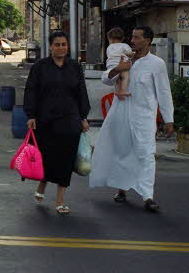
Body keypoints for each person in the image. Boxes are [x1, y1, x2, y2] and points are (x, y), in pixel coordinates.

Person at [89, 25, 175, 213]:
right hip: (120, 114)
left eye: (137, 38)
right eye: (132, 37)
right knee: (122, 151)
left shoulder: (156, 64)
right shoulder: (124, 58)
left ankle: (148, 196)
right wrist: (118, 69)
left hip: (144, 117)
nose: (133, 41)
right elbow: (107, 79)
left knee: (146, 154)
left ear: (148, 41)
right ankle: (122, 188)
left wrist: (169, 119)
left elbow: (163, 92)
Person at [23, 30, 91, 215]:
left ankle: (60, 199)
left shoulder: (75, 67)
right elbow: (31, 91)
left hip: (70, 120)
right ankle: (42, 184)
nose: (61, 48)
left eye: (64, 44)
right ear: (50, 47)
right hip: (45, 120)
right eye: (57, 44)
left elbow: (81, 92)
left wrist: (83, 117)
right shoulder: (40, 67)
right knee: (46, 157)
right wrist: (31, 115)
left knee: (66, 160)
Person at [105, 27, 134, 99]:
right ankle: (123, 91)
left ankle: (117, 92)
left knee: (117, 80)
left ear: (111, 39)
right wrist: (132, 54)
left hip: (111, 66)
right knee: (125, 77)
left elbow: (109, 56)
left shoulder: (109, 47)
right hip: (121, 65)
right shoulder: (124, 45)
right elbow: (129, 54)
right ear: (122, 38)